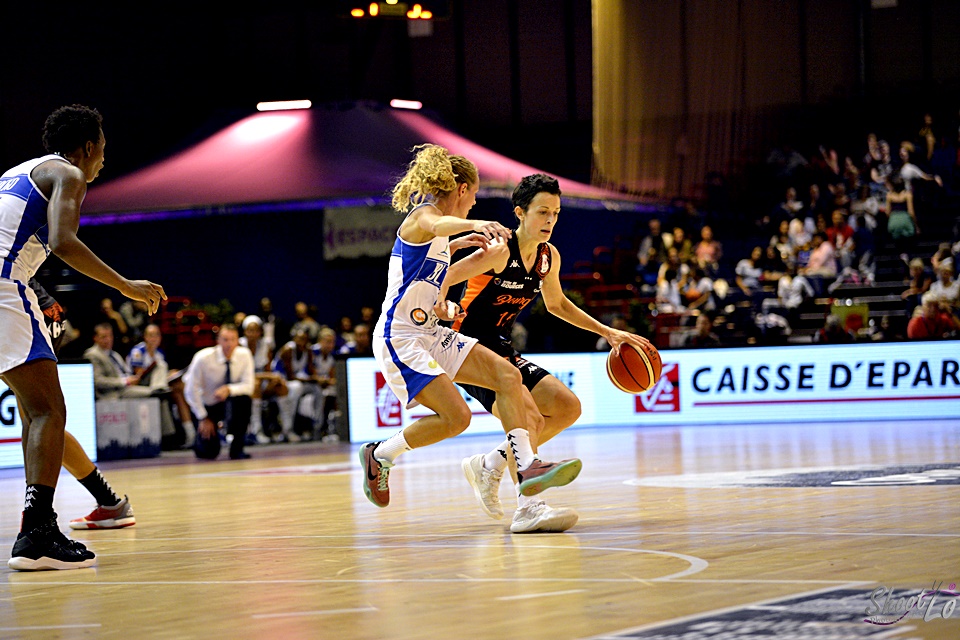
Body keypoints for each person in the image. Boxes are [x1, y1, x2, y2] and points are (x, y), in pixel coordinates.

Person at [360, 145, 581, 534]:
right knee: (456, 419)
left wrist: (443, 308)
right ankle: (380, 453)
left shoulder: (446, 240)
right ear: (460, 189)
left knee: (508, 378)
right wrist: (474, 225)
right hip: (400, 338)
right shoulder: (422, 218)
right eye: (474, 195)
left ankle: (527, 482)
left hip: (431, 331)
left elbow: (429, 288)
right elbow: (435, 224)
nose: (475, 202)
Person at [1, 104, 164, 570]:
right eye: (104, 150)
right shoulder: (68, 174)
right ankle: (36, 534)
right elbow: (63, 240)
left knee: (38, 415)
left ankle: (78, 512)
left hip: (14, 283)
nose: (103, 161)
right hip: (5, 286)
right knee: (48, 411)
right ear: (88, 147)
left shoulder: (18, 172)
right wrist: (124, 286)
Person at [438, 173, 651, 527]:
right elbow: (442, 277)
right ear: (520, 213)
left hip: (501, 348)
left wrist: (608, 332)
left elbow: (558, 305)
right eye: (542, 212)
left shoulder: (548, 257)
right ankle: (528, 507)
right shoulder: (498, 251)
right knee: (531, 418)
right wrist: (441, 306)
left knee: (567, 407)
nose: (550, 220)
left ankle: (489, 465)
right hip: (468, 350)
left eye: (555, 212)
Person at [25, 278, 136, 531]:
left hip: (30, 308)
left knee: (38, 419)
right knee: (38, 421)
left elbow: (64, 244)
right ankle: (108, 502)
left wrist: (123, 285)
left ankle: (37, 522)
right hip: (27, 306)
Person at [182, 324, 255, 460]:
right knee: (208, 453)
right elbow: (190, 390)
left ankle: (237, 448)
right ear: (218, 340)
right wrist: (203, 417)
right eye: (225, 340)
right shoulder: (203, 358)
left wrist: (229, 389)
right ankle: (200, 440)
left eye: (233, 340)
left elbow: (249, 386)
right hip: (208, 407)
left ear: (238, 340)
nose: (229, 344)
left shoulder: (244, 355)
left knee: (245, 400)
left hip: (231, 402)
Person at [239, 314, 287, 444]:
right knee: (255, 384)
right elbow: (244, 374)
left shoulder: (266, 345)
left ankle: (287, 431)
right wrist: (268, 377)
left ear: (260, 332)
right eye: (250, 330)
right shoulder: (239, 345)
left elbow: (268, 370)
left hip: (260, 382)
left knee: (280, 385)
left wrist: (272, 380)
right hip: (242, 383)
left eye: (256, 330)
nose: (253, 334)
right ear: (245, 332)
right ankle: (256, 431)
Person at [84, 323, 154, 399]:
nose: (108, 339)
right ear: (95, 338)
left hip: (127, 388)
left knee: (158, 374)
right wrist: (124, 382)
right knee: (154, 393)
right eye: (104, 337)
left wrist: (134, 378)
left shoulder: (114, 354)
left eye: (110, 336)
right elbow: (97, 381)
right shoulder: (92, 354)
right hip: (113, 393)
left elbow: (126, 373)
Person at [272, 328, 319, 441]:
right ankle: (288, 429)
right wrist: (310, 379)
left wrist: (317, 378)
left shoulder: (307, 351)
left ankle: (316, 427)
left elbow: (311, 370)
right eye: (299, 339)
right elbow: (290, 376)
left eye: (304, 339)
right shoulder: (288, 350)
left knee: (317, 390)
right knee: (296, 389)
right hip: (281, 380)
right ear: (294, 339)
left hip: (298, 381)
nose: (301, 342)